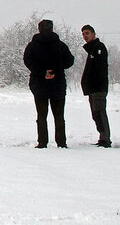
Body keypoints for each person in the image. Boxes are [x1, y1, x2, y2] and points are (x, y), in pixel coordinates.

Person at [23, 18, 75, 148]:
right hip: (57, 85)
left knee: (41, 116)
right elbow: (70, 61)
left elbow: (28, 61)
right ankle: (61, 143)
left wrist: (42, 72)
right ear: (52, 28)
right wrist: (57, 69)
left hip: (39, 85)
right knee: (59, 116)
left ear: (39, 29)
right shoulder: (60, 45)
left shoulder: (33, 45)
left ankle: (42, 142)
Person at [80, 24, 112, 147]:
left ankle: (106, 139)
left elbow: (99, 69)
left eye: (87, 33)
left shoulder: (99, 48)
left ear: (94, 34)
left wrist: (94, 82)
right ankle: (102, 137)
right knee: (95, 114)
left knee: (100, 112)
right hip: (92, 88)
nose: (85, 36)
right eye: (83, 34)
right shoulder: (92, 49)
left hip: (98, 88)